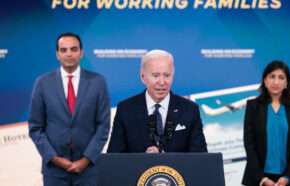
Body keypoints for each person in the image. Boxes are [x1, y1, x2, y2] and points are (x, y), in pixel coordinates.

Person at [28, 32, 110, 186]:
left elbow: (103, 126)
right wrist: (54, 158)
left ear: (81, 52)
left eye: (74, 49)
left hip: (88, 170)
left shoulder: (98, 82)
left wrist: (85, 160)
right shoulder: (43, 83)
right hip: (54, 171)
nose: (69, 54)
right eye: (64, 50)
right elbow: (35, 127)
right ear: (57, 54)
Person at [107, 49, 207, 153]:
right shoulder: (126, 109)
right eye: (155, 75)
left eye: (167, 75)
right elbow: (114, 159)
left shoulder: (190, 110)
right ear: (143, 77)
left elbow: (201, 159)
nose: (162, 82)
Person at [242, 60, 290, 186]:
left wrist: (287, 177)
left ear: (287, 83)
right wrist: (262, 179)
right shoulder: (253, 106)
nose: (276, 82)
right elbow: (249, 144)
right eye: (272, 77)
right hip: (259, 178)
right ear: (265, 81)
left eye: (281, 77)